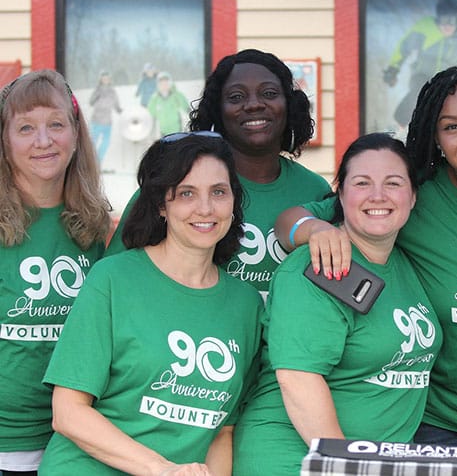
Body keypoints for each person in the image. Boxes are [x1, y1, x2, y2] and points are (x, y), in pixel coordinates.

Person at [277, 63, 457, 474]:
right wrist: (315, 231)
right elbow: (290, 221)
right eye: (452, 127)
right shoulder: (415, 195)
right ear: (435, 137)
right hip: (434, 423)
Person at [38, 132, 263, 475]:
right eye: (186, 193)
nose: (205, 208)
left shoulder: (246, 304)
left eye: (218, 192)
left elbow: (222, 431)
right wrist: (161, 469)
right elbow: (68, 412)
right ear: (161, 204)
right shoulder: (113, 279)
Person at [233, 133, 443, 476]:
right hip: (298, 460)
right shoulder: (317, 265)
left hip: (369, 462)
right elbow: (298, 379)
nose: (378, 195)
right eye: (362, 183)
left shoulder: (405, 265)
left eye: (393, 183)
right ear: (341, 195)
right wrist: (347, 466)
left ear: (413, 196)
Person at [106, 49, 331, 302]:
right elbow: (116, 278)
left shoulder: (314, 189)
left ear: (289, 104)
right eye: (236, 97)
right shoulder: (175, 183)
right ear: (217, 110)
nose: (254, 104)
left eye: (269, 93)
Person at [0, 69, 111, 475]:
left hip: (70, 447)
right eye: (26, 128)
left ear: (76, 133)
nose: (43, 141)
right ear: (5, 141)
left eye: (56, 125)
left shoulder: (94, 227)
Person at [383, 0, 457, 127]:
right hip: (422, 73)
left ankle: (444, 128)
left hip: (449, 78)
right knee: (421, 93)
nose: (446, 26)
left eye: (451, 22)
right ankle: (402, 125)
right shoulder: (425, 28)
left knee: (449, 101)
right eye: (442, 21)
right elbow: (404, 47)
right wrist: (393, 68)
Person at [88, 70, 122, 162]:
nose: (105, 80)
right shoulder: (97, 90)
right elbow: (91, 102)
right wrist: (96, 96)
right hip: (96, 121)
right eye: (104, 78)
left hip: (108, 122)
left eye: (107, 78)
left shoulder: (112, 91)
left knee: (106, 142)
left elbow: (116, 104)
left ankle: (98, 160)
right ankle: (91, 161)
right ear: (101, 79)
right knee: (93, 142)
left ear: (109, 79)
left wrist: (120, 110)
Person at [147, 71, 190, 136]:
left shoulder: (176, 95)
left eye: (166, 83)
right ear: (158, 85)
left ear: (170, 84)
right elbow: (150, 113)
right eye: (161, 84)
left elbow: (186, 107)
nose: (164, 86)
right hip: (163, 131)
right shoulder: (155, 99)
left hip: (176, 130)